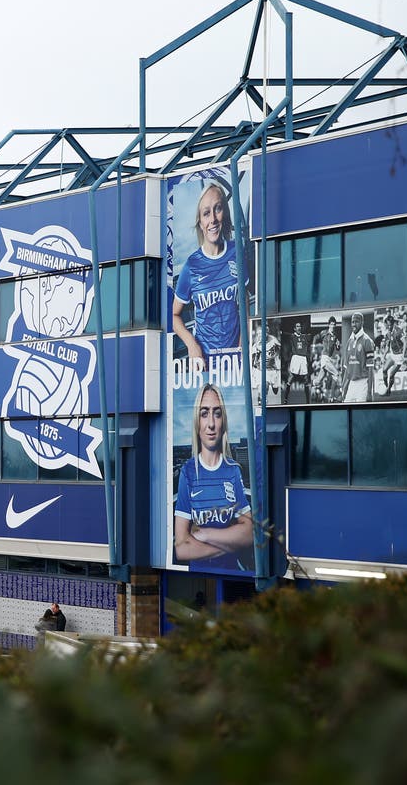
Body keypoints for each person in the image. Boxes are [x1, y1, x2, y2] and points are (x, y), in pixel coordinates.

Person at [173, 383, 253, 569]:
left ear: (223, 421)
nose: (211, 424)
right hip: (197, 579)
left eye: (217, 414)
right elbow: (182, 549)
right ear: (197, 422)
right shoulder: (188, 472)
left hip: (232, 575)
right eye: (204, 413)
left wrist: (207, 535)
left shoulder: (233, 470)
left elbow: (248, 533)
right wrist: (230, 544)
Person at [172, 182, 241, 361]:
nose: (212, 220)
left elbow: (245, 302)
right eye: (206, 213)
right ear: (200, 223)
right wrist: (192, 345)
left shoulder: (236, 253)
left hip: (234, 361)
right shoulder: (191, 265)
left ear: (224, 213)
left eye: (217, 209)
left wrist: (242, 345)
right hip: (205, 361)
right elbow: (174, 315)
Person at [342, 311, 376, 402]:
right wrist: (343, 389)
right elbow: (347, 370)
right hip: (351, 384)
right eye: (352, 322)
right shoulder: (349, 341)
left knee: (361, 414)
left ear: (362, 322)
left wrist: (369, 392)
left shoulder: (367, 341)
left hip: (363, 383)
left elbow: (370, 369)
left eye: (356, 321)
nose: (354, 324)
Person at [312, 316, 341, 401]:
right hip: (324, 358)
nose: (333, 326)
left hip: (329, 358)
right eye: (331, 324)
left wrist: (338, 346)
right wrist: (313, 347)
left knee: (319, 380)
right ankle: (332, 397)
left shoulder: (335, 336)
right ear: (329, 325)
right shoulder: (324, 332)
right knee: (336, 374)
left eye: (334, 324)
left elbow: (337, 348)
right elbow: (315, 337)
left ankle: (312, 384)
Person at [285, 321, 310, 403]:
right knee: (291, 377)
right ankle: (285, 399)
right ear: (294, 328)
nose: (299, 327)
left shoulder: (304, 336)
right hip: (295, 357)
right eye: (297, 326)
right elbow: (286, 334)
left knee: (306, 379)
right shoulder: (292, 336)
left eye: (300, 326)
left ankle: (307, 401)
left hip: (303, 358)